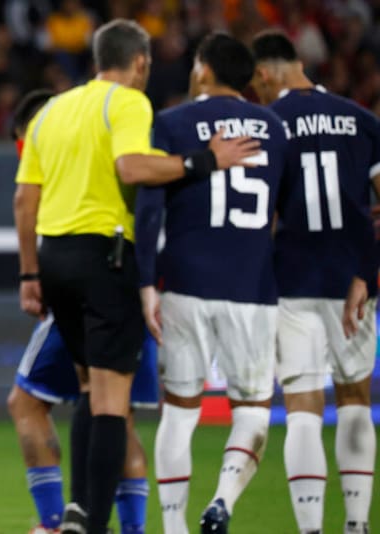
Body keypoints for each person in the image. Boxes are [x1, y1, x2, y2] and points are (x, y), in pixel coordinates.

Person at [14, 20, 258, 534]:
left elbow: (24, 199)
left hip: (53, 259)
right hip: (104, 256)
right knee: (110, 402)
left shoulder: (52, 110)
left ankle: (79, 511)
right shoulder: (127, 102)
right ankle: (93, 521)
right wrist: (204, 160)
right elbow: (132, 168)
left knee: (87, 387)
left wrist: (29, 272)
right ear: (141, 62)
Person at [135, 33, 289, 534]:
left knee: (180, 412)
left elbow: (150, 207)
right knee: (253, 411)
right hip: (253, 286)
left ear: (202, 68)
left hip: (185, 281)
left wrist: (145, 283)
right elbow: (282, 211)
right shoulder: (274, 126)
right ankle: (221, 501)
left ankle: (175, 527)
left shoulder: (174, 121)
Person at [8, 89, 159, 534]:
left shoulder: (57, 154)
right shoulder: (106, 139)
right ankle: (127, 527)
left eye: (23, 142)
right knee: (117, 411)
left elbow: (27, 203)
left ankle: (57, 522)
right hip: (126, 280)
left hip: (82, 278)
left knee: (29, 401)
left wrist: (31, 275)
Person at [251, 31, 379, 534]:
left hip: (294, 279)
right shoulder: (363, 120)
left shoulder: (269, 124)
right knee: (354, 399)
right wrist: (368, 272)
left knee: (303, 404)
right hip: (355, 284)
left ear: (265, 73)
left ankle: (309, 529)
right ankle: (356, 524)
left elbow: (257, 216)